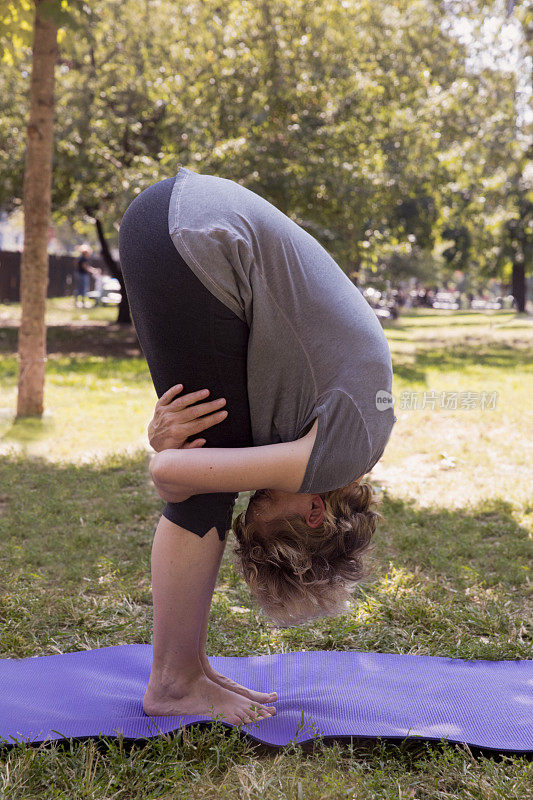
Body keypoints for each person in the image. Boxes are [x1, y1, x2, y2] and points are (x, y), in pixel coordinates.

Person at [118, 167, 397, 725]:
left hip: (178, 224)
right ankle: (175, 683)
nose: (254, 502)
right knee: (202, 496)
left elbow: (176, 457)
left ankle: (191, 665)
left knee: (201, 464)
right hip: (194, 238)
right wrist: (170, 457)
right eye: (265, 513)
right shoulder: (332, 455)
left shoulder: (339, 436)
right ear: (316, 511)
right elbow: (173, 475)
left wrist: (167, 446)